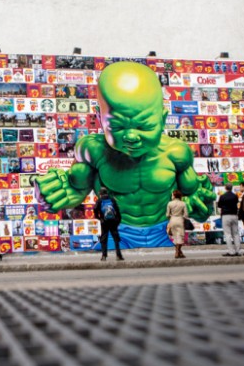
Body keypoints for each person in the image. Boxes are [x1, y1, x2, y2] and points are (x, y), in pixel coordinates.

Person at [35, 62, 215, 248]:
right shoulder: (93, 151)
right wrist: (52, 194)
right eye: (117, 126)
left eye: (144, 126)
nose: (131, 137)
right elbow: (73, 192)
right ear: (100, 118)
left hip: (163, 234)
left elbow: (196, 203)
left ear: (162, 119)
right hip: (117, 234)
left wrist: (200, 204)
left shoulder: (177, 153)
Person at [95, 187, 124, 261]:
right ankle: (118, 255)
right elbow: (117, 211)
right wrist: (117, 221)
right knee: (116, 239)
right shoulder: (112, 200)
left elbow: (95, 209)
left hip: (104, 223)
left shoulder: (99, 201)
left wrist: (99, 218)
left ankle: (104, 256)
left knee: (104, 239)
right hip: (113, 222)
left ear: (100, 194)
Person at [217, 184, 241, 257]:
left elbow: (219, 205)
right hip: (234, 215)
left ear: (225, 188)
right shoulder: (235, 196)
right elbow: (237, 203)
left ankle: (231, 251)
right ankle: (238, 251)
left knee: (228, 234)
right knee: (236, 234)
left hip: (226, 215)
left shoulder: (222, 196)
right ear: (231, 188)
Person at [166, 190, 188, 259]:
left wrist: (171, 217)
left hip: (172, 220)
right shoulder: (183, 203)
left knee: (175, 237)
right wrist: (182, 218)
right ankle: (177, 252)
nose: (171, 196)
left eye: (172, 195)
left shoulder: (170, 203)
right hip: (180, 220)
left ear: (174, 196)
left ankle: (179, 252)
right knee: (180, 237)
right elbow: (186, 215)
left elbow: (167, 215)